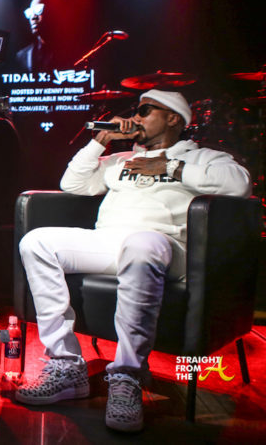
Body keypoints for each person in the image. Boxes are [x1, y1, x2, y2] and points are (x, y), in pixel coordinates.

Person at [14, 89, 251, 432]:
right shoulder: (121, 159)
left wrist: (169, 167)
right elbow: (73, 183)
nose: (135, 118)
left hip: (165, 245)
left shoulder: (202, 158)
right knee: (36, 242)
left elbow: (240, 184)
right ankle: (66, 366)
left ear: (173, 118)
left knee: (141, 245)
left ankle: (128, 375)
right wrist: (100, 143)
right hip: (111, 241)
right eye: (136, 111)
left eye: (145, 110)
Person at [16, 0, 56, 72]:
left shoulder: (68, 53)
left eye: (38, 10)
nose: (33, 17)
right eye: (30, 12)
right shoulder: (22, 56)